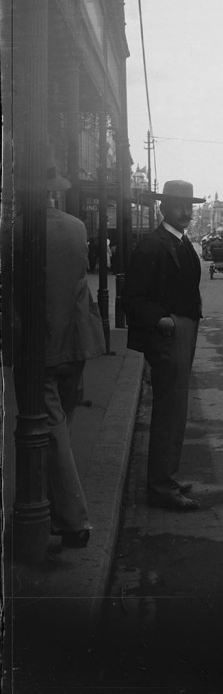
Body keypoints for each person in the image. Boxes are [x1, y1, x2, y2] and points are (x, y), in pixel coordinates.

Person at [15, 168, 106, 548]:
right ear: (54, 193)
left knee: (49, 433)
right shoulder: (77, 227)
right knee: (59, 430)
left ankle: (74, 522)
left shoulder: (13, 231)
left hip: (39, 346)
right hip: (77, 342)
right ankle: (52, 509)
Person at [123, 179, 205, 512]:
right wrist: (162, 320)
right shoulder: (152, 246)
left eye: (190, 206)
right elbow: (134, 298)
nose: (186, 212)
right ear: (163, 208)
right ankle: (160, 486)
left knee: (176, 411)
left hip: (184, 332)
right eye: (178, 206)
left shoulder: (182, 242)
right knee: (169, 413)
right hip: (168, 335)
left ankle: (166, 477)